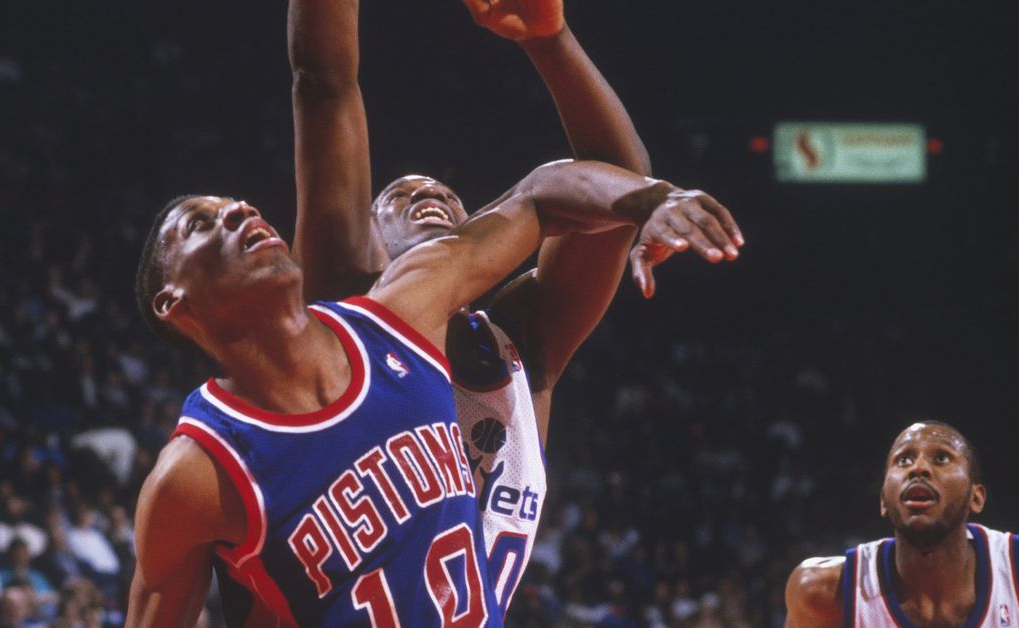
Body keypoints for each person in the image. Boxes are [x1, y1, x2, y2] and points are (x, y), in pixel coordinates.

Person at [125, 157, 738, 626]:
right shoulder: (195, 475)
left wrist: (654, 197)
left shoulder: (404, 312)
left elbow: (538, 195)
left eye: (235, 204)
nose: (238, 212)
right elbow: (322, 82)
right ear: (172, 302)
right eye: (201, 224)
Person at [288, 0, 744, 615]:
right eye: (399, 198)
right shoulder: (341, 311)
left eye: (448, 198)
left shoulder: (518, 340)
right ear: (362, 236)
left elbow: (604, 194)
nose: (430, 198)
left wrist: (551, 41)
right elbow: (323, 84)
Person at [784, 421, 1019, 627]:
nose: (918, 468)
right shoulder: (822, 595)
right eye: (904, 459)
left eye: (941, 457)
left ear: (976, 497)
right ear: (883, 501)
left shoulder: (1018, 572)